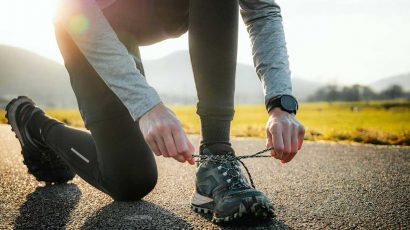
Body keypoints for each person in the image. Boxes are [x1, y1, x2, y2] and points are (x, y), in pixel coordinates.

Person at [6, 0, 305, 223]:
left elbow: (262, 10)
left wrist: (281, 104)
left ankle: (216, 158)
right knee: (131, 180)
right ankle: (33, 124)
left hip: (157, 14)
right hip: (85, 23)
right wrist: (147, 105)